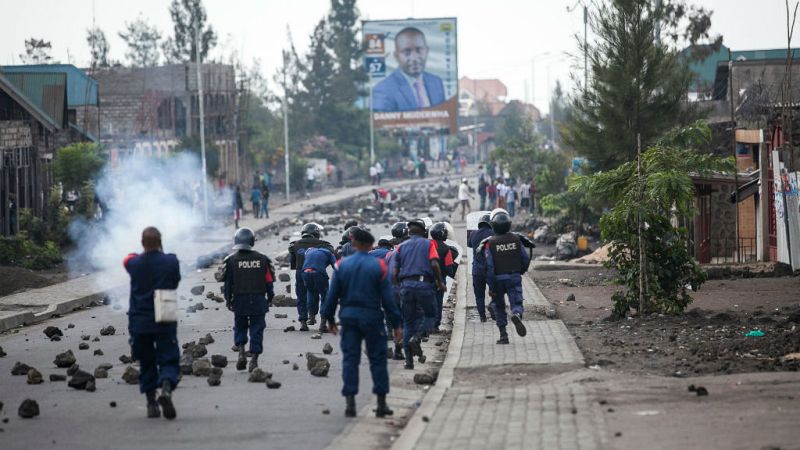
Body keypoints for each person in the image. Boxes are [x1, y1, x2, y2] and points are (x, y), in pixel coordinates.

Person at [321, 227, 402, 418]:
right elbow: (388, 299)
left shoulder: (342, 265)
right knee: (378, 359)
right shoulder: (379, 266)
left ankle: (350, 403)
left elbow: (332, 296)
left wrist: (330, 319)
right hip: (372, 317)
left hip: (348, 317)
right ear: (370, 245)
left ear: (355, 244)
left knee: (350, 358)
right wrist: (397, 324)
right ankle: (381, 403)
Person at [123, 227, 181, 419]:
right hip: (164, 316)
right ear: (160, 242)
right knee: (168, 357)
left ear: (142, 243)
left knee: (147, 361)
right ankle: (165, 388)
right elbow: (175, 281)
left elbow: (127, 259)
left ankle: (151, 404)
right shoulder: (170, 261)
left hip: (140, 320)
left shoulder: (134, 264)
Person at [393, 218, 446, 369]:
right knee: (431, 315)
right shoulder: (429, 244)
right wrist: (440, 282)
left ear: (409, 232)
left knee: (408, 322)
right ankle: (417, 338)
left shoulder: (401, 247)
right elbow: (435, 263)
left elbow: (395, 271)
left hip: (406, 286)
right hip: (423, 285)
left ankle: (408, 361)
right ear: (424, 232)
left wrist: (399, 286)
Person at [223, 227, 275, 372]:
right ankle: (254, 361)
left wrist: (228, 300)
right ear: (252, 240)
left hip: (239, 300)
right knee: (257, 329)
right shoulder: (263, 259)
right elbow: (269, 282)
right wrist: (270, 298)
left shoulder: (231, 260)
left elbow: (228, 283)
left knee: (240, 327)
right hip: (258, 300)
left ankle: (241, 352)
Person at [482, 210, 530, 344]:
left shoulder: (490, 243)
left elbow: (490, 266)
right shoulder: (516, 239)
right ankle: (516, 314)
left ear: (493, 225)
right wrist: (521, 271)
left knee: (498, 306)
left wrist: (491, 286)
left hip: (497, 279)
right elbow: (525, 259)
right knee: (517, 301)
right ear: (509, 224)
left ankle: (503, 335)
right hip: (514, 276)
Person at [372, 27, 446, 112]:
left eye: (419, 50)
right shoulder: (383, 90)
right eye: (407, 53)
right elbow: (381, 123)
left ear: (426, 51)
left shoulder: (436, 82)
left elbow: (444, 119)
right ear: (396, 56)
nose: (414, 58)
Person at [288, 223, 334, 331]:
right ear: (316, 233)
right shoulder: (324, 244)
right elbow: (331, 254)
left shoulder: (294, 245)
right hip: (318, 271)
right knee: (324, 295)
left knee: (302, 296)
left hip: (300, 272)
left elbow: (292, 263)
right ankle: (323, 322)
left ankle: (303, 322)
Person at [429, 222, 458, 331]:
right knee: (438, 302)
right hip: (439, 281)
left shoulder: (426, 245)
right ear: (441, 234)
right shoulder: (446, 249)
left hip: (425, 280)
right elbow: (449, 268)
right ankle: (435, 325)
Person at [302, 246, 337, 332]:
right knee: (325, 296)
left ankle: (311, 316)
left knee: (310, 292)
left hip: (305, 272)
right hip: (318, 273)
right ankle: (323, 324)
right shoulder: (329, 253)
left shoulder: (309, 251)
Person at [468, 214, 494, 322]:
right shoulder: (494, 234)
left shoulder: (473, 233)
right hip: (491, 270)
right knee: (496, 292)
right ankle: (494, 310)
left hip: (477, 270)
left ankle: (482, 317)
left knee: (479, 295)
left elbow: (469, 244)